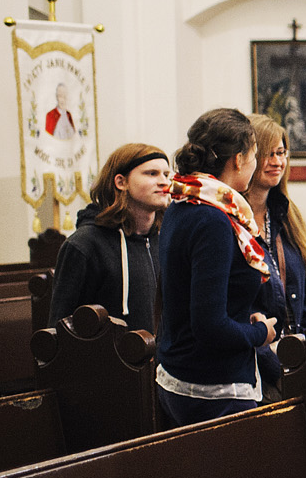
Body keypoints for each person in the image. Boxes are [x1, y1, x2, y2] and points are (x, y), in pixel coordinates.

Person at [156, 108, 278, 426]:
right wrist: (258, 333)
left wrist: (241, 311)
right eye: (254, 155)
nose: (254, 165)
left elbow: (195, 292)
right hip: (212, 389)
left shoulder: (184, 201)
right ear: (238, 159)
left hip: (179, 374)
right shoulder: (212, 218)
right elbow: (209, 325)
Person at [50, 142, 171, 333]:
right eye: (152, 173)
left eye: (166, 174)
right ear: (121, 182)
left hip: (160, 360)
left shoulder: (165, 238)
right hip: (109, 360)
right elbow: (61, 328)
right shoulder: (84, 244)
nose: (164, 182)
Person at [244, 115, 306, 389]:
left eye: (281, 153)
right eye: (268, 154)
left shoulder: (288, 214)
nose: (277, 162)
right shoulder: (228, 220)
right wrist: (272, 364)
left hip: (299, 357)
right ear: (245, 158)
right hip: (254, 364)